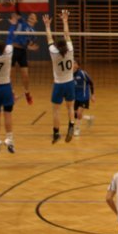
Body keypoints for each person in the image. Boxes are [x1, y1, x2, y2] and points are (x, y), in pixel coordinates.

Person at [43, 9, 76, 143]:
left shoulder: (53, 52)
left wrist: (47, 25)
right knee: (70, 107)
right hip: (70, 83)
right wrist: (65, 21)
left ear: (57, 46)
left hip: (59, 84)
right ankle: (71, 126)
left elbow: (49, 38)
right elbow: (67, 34)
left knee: (56, 110)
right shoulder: (70, 50)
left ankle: (56, 133)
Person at [0, 12, 18, 153]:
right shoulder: (8, 54)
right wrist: (12, 25)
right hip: (6, 88)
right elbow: (10, 38)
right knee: (8, 115)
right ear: (5, 48)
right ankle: (10, 141)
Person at [11, 3, 39, 105]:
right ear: (28, 18)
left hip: (22, 52)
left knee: (25, 75)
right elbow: (17, 11)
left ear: (36, 21)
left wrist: (30, 47)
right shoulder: (22, 22)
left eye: (34, 17)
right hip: (14, 49)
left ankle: (27, 92)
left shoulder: (34, 32)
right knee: (10, 74)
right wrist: (17, 2)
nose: (32, 17)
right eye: (31, 16)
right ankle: (12, 93)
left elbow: (29, 44)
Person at [72, 61, 95, 136]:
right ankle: (89, 118)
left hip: (84, 97)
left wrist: (92, 95)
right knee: (75, 114)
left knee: (79, 113)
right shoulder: (69, 75)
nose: (73, 64)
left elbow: (91, 82)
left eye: (74, 63)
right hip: (76, 97)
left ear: (78, 66)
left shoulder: (82, 73)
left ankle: (77, 129)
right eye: (72, 63)